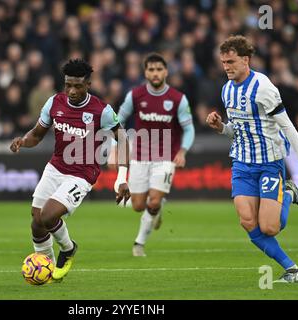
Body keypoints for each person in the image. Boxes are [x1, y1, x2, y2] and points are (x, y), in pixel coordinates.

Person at [206, 35, 298, 283]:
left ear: (246, 59)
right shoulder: (226, 90)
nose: (226, 66)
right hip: (241, 163)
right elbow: (236, 131)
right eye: (223, 62)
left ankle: (289, 193)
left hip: (269, 162)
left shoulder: (264, 87)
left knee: (270, 227)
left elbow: (288, 127)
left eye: (231, 61)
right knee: (248, 221)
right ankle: (292, 269)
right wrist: (220, 127)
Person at [10, 59, 130, 281]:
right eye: (68, 85)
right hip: (56, 167)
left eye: (77, 86)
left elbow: (122, 139)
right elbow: (36, 134)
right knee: (37, 223)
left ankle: (68, 248)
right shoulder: (54, 103)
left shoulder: (101, 110)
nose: (72, 91)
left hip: (82, 174)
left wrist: (122, 178)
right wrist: (22, 141)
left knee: (48, 215)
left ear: (88, 85)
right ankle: (47, 270)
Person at [116, 53, 195, 257]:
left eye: (159, 69)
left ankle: (139, 243)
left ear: (166, 71)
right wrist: (116, 147)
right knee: (137, 205)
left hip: (165, 157)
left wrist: (183, 151)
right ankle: (158, 209)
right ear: (146, 72)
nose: (155, 73)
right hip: (140, 155)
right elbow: (118, 121)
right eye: (151, 69)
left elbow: (189, 129)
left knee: (152, 201)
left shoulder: (178, 99)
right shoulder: (135, 95)